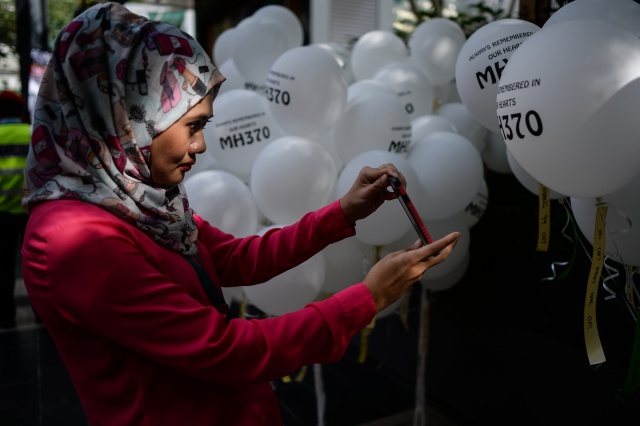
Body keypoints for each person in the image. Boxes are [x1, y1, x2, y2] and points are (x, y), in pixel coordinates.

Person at [21, 3, 460, 425]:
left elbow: (232, 258)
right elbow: (223, 349)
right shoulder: (70, 240)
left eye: (203, 126)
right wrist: (368, 298)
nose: (201, 147)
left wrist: (342, 212)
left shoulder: (136, 198)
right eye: (191, 126)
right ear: (126, 120)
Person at [0, 90, 31, 329]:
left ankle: (7, 318)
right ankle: (43, 315)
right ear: (21, 112)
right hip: (31, 211)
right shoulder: (32, 133)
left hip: (2, 216)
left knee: (4, 268)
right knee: (34, 264)